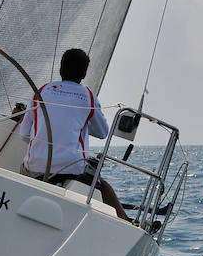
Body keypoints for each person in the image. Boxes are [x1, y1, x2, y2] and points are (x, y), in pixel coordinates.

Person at [19, 48, 130, 221]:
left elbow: (24, 134)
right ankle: (126, 220)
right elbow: (102, 133)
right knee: (100, 182)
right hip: (71, 169)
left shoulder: (41, 91)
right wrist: (82, 121)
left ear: (61, 69)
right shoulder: (88, 97)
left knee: (22, 166)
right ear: (84, 73)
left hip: (35, 167)